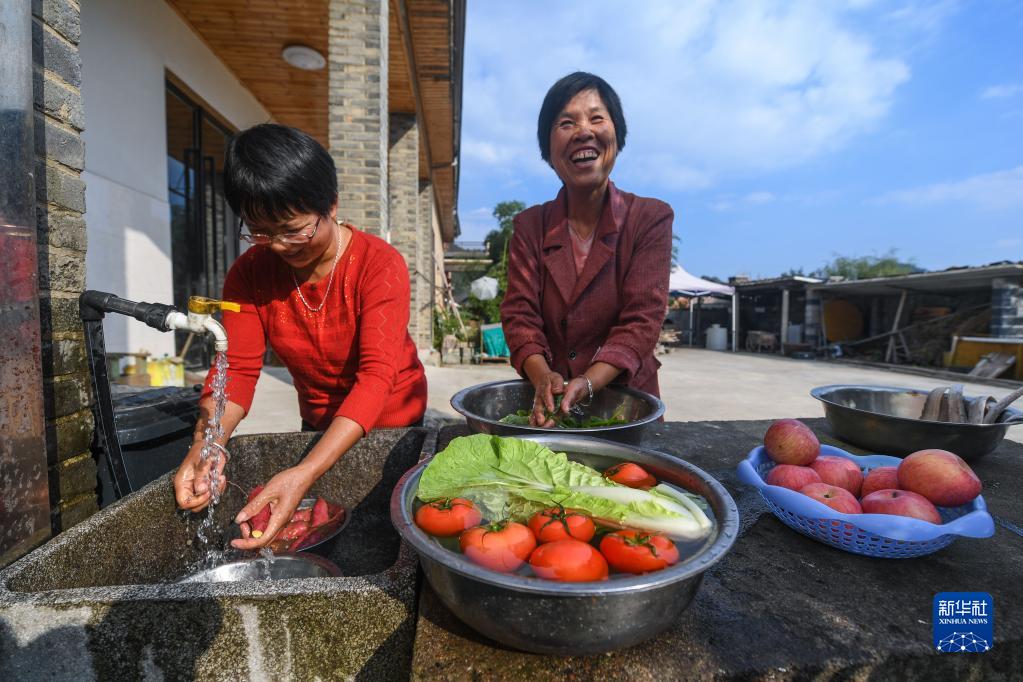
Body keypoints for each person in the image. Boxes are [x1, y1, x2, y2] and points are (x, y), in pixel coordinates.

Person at [172, 123, 427, 548]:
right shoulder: (249, 274)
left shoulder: (379, 265)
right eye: (260, 231)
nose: (278, 246)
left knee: (387, 533)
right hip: (318, 422)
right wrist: (207, 443)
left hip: (393, 424)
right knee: (327, 534)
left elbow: (376, 377)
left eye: (294, 229)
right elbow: (237, 369)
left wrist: (305, 470)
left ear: (332, 204)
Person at [501, 72, 673, 427]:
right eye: (566, 123)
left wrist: (589, 380)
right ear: (548, 149)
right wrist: (542, 377)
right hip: (548, 407)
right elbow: (520, 316)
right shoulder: (530, 226)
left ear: (617, 135)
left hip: (626, 406)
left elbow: (642, 320)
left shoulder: (650, 218)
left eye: (596, 118)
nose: (583, 131)